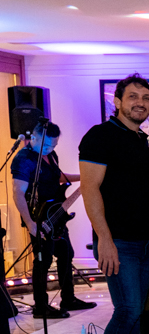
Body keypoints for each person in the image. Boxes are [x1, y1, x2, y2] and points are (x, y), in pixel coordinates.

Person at [79, 74, 149, 334]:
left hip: (141, 242)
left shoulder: (139, 139)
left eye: (145, 97)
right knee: (126, 310)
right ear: (117, 101)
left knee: (135, 313)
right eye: (133, 97)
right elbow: (90, 189)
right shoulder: (101, 136)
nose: (140, 103)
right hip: (118, 242)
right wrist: (105, 240)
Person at [12, 120, 95, 319]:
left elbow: (57, 177)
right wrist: (30, 223)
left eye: (53, 145)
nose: (49, 149)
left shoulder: (51, 155)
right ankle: (41, 307)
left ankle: (68, 299)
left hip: (56, 213)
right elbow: (18, 192)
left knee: (66, 253)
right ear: (34, 138)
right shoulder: (23, 159)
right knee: (43, 260)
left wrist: (83, 177)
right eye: (46, 145)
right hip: (38, 217)